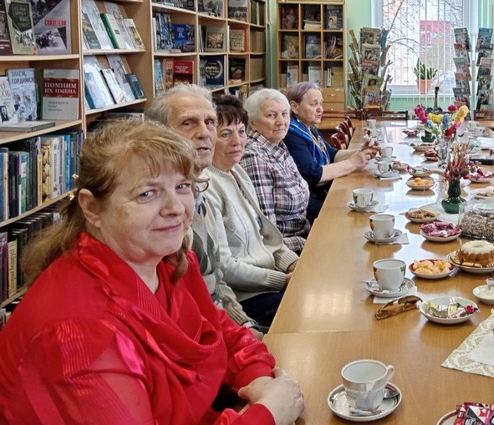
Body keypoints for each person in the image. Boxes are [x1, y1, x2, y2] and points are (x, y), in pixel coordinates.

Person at [0, 120, 304, 423]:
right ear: (92, 208)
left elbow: (226, 335)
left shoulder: (170, 260)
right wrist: (268, 414)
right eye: (147, 193)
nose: (176, 207)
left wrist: (259, 382)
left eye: (182, 186)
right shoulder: (78, 333)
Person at [147, 85, 260, 335]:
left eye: (210, 122)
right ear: (158, 134)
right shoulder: (158, 213)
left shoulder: (198, 193)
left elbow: (216, 280)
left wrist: (244, 326)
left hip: (226, 328)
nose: (204, 133)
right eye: (188, 123)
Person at [207, 94, 300, 329]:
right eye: (225, 134)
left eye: (241, 131)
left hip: (272, 279)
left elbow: (266, 238)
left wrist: (293, 264)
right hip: (249, 296)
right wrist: (282, 280)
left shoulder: (237, 172)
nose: (237, 141)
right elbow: (225, 267)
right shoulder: (207, 187)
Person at [284, 82, 379, 219]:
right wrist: (353, 163)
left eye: (321, 104)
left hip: (323, 192)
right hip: (310, 202)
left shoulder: (309, 128)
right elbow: (314, 175)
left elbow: (332, 154)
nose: (320, 109)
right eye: (313, 104)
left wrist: (360, 152)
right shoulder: (292, 135)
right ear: (295, 107)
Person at [241, 89, 311, 247]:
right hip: (288, 249)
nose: (281, 121)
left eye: (285, 114)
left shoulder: (276, 144)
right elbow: (268, 235)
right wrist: (309, 244)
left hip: (304, 234)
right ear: (252, 122)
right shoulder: (254, 157)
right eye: (271, 115)